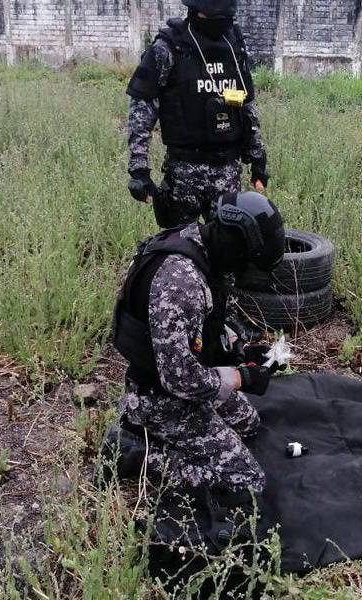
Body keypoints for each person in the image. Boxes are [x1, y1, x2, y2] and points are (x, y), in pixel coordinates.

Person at [111, 191, 285, 510]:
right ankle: (136, 451)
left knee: (248, 422)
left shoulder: (204, 249)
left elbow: (209, 324)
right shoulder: (180, 281)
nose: (245, 271)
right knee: (245, 480)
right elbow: (180, 380)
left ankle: (148, 434)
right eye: (247, 261)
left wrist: (242, 350)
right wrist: (240, 378)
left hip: (179, 385)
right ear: (234, 243)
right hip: (159, 398)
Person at [125, 0, 270, 228]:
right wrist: (139, 170)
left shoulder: (233, 44)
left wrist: (258, 157)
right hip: (184, 174)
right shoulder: (169, 47)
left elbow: (246, 103)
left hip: (228, 172)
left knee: (228, 251)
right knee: (179, 251)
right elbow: (142, 109)